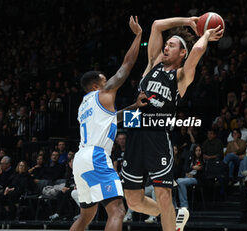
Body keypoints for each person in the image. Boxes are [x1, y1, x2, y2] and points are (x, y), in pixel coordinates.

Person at [121, 16, 223, 231]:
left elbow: (196, 54)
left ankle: (170, 216)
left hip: (157, 138)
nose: (166, 47)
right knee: (133, 201)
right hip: (133, 136)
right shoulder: (151, 65)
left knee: (164, 196)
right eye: (166, 44)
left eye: (172, 45)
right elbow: (157, 24)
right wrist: (188, 21)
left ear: (182, 53)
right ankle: (172, 216)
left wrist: (204, 34)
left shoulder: (181, 77)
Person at [70, 16, 143, 231]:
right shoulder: (103, 93)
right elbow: (127, 65)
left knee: (86, 215)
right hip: (96, 156)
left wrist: (134, 107)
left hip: (81, 159)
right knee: (118, 210)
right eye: (104, 81)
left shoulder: (84, 105)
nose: (108, 83)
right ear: (96, 86)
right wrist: (139, 35)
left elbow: (113, 117)